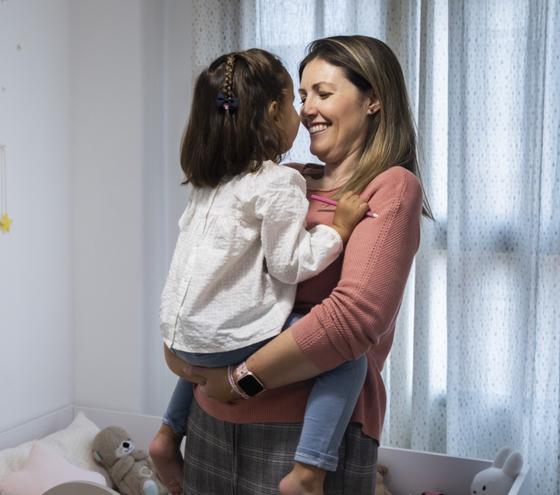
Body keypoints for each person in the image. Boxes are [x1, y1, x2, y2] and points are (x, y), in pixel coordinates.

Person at [163, 35, 430, 495]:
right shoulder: (283, 181)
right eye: (303, 96)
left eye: (323, 93)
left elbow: (352, 320)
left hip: (304, 435)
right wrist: (173, 420)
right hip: (209, 420)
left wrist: (239, 380)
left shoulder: (390, 187)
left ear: (373, 100)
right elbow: (219, 290)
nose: (307, 109)